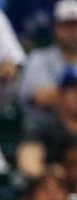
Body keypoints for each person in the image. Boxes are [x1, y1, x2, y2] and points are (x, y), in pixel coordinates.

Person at [19, 0, 77, 134]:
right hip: (46, 129)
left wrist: (58, 95)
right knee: (32, 140)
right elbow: (40, 97)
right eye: (66, 25)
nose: (72, 31)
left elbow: (51, 96)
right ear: (55, 28)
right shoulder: (38, 58)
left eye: (75, 25)